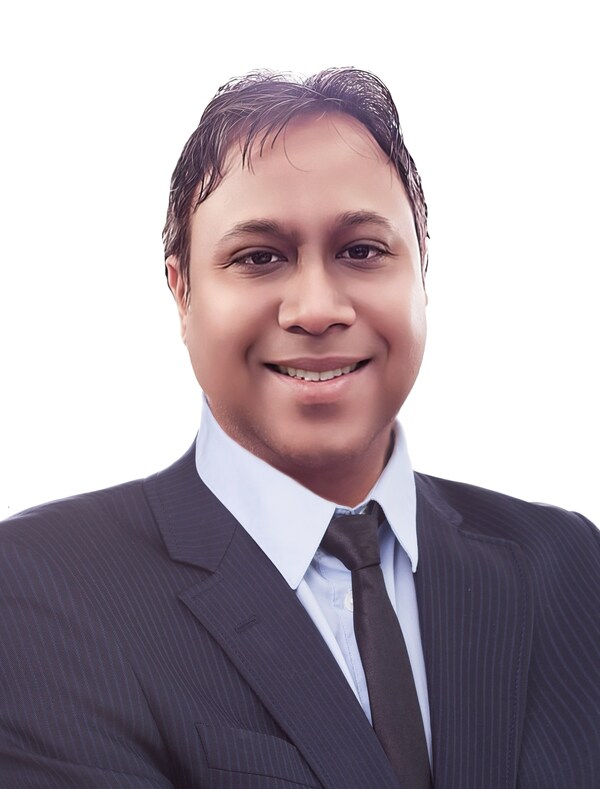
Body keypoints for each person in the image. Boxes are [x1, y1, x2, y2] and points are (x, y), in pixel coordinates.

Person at [0, 68, 598, 789]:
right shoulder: (39, 587)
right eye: (259, 258)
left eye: (362, 251)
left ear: (423, 271)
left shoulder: (568, 564)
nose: (316, 309)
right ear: (182, 292)